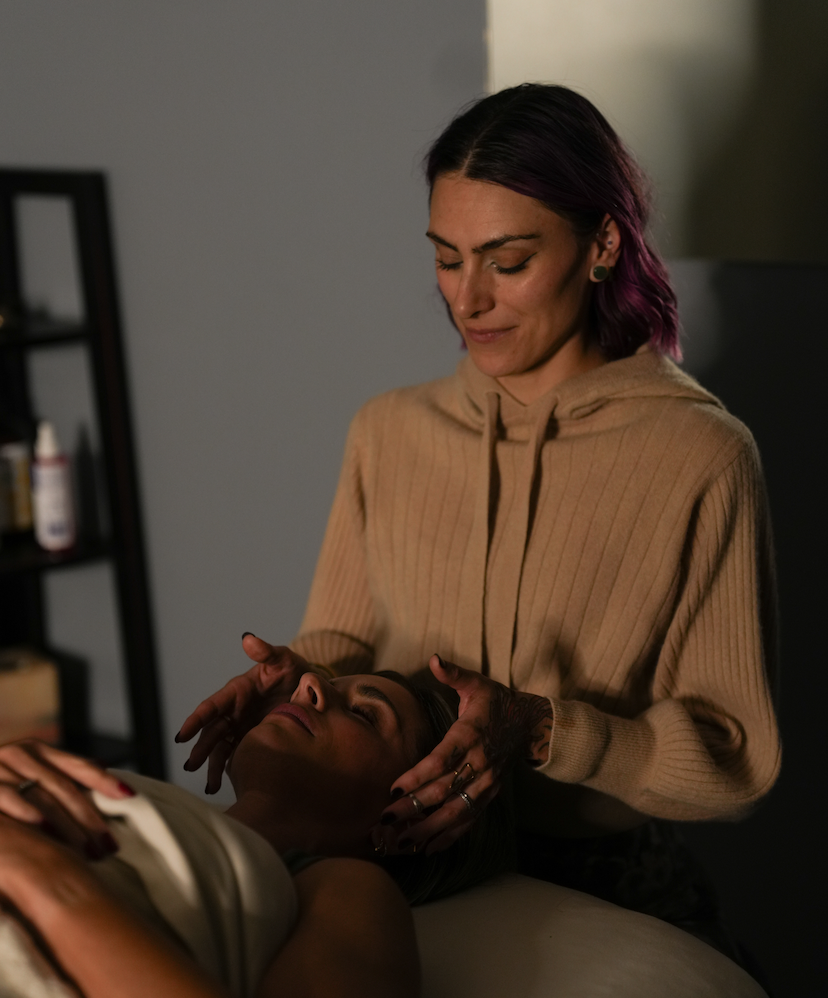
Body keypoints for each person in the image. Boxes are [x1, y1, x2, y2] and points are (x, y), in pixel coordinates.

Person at [181, 83, 780, 957]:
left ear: (602, 244)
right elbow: (343, 641)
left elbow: (734, 761)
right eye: (446, 257)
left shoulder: (700, 456)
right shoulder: (388, 430)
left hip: (596, 876)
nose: (467, 301)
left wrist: (540, 729)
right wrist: (289, 678)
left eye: (507, 261)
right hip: (391, 858)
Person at [0, 670, 509, 998]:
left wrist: (42, 876)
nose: (309, 682)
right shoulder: (153, 805)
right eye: (325, 679)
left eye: (363, 713)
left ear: (411, 813)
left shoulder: (348, 895)